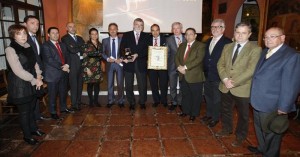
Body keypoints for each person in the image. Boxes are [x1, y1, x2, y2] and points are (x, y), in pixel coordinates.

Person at [248, 27, 300, 156]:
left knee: (272, 133)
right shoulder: (265, 51)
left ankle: (270, 154)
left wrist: (284, 107)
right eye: (266, 37)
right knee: (259, 128)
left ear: (282, 38)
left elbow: (291, 84)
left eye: (273, 36)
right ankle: (262, 148)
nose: (268, 39)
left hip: (273, 104)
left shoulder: (291, 56)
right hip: (258, 100)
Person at [216, 22, 261, 147]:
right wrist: (225, 79)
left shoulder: (255, 49)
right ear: (234, 33)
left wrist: (233, 83)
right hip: (225, 85)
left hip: (242, 88)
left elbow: (251, 70)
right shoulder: (227, 47)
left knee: (243, 115)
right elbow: (220, 64)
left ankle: (240, 136)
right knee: (225, 110)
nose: (240, 35)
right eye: (237, 32)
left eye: (244, 33)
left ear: (249, 34)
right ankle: (226, 129)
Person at [5, 24, 45, 145]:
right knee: (24, 112)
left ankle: (34, 129)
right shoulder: (10, 49)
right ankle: (27, 136)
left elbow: (35, 63)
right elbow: (17, 70)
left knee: (32, 108)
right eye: (19, 34)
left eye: (24, 33)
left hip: (32, 80)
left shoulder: (28, 45)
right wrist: (35, 80)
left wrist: (39, 75)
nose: (23, 36)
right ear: (13, 36)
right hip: (20, 85)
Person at [201, 19, 232, 127]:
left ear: (223, 29)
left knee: (217, 99)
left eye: (217, 27)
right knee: (208, 96)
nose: (214, 29)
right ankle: (209, 114)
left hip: (219, 76)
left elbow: (228, 62)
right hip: (207, 75)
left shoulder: (228, 42)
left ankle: (215, 118)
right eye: (212, 27)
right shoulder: (208, 41)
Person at [175, 27, 205, 121]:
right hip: (182, 75)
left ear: (195, 35)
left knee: (195, 96)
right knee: (185, 95)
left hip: (195, 76)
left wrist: (185, 67)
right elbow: (176, 58)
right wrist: (179, 67)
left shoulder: (201, 45)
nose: (188, 36)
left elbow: (198, 60)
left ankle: (194, 113)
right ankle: (185, 111)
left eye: (191, 34)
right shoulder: (182, 45)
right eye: (186, 34)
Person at [41, 27, 72, 120]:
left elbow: (68, 56)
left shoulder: (62, 45)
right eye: (53, 33)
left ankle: (63, 108)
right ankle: (53, 112)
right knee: (53, 95)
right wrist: (63, 67)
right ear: (48, 35)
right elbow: (49, 59)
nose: (55, 35)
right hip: (52, 74)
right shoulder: (45, 45)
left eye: (57, 33)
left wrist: (67, 65)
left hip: (63, 73)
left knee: (63, 92)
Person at [23, 15, 49, 121]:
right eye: (32, 23)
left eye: (37, 23)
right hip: (29, 73)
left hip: (37, 71)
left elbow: (38, 56)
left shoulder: (35, 38)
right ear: (25, 24)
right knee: (32, 97)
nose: (36, 26)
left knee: (36, 95)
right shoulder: (24, 39)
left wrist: (40, 72)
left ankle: (37, 116)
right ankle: (33, 119)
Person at [120, 18, 149, 110]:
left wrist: (137, 54)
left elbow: (148, 50)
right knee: (128, 85)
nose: (139, 26)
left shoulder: (146, 36)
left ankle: (142, 102)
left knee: (142, 84)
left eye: (141, 25)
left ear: (143, 27)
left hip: (141, 63)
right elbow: (122, 48)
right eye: (137, 24)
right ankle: (131, 102)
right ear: (133, 25)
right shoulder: (126, 34)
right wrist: (127, 57)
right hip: (128, 63)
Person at [61, 22, 85, 111]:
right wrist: (80, 48)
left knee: (80, 84)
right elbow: (71, 50)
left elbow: (84, 48)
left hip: (81, 64)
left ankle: (78, 102)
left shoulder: (80, 38)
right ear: (67, 28)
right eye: (70, 27)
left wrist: (77, 48)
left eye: (74, 26)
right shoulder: (64, 38)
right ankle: (74, 104)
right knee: (73, 85)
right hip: (72, 64)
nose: (72, 28)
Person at [102, 23, 124, 108]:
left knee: (120, 83)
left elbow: (124, 52)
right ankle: (110, 100)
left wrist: (121, 58)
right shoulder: (105, 41)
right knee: (110, 84)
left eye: (114, 29)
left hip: (119, 64)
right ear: (108, 30)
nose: (112, 30)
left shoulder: (122, 40)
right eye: (110, 29)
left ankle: (121, 101)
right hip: (109, 65)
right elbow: (102, 53)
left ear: (117, 30)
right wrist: (107, 59)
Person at [166, 22, 186, 111]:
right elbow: (166, 54)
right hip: (172, 67)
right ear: (171, 30)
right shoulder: (169, 39)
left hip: (184, 67)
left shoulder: (187, 38)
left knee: (183, 85)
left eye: (177, 28)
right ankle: (174, 102)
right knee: (172, 86)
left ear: (181, 29)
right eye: (174, 28)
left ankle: (181, 102)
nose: (176, 30)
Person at [148, 24, 168, 107]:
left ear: (159, 31)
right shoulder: (147, 40)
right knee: (153, 84)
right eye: (153, 30)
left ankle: (164, 100)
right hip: (152, 66)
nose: (155, 32)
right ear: (151, 31)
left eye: (157, 30)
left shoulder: (166, 39)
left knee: (164, 84)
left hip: (163, 66)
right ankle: (156, 100)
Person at [82, 28, 103, 107]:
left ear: (97, 35)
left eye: (96, 34)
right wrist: (87, 69)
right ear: (90, 35)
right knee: (90, 85)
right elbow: (84, 57)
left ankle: (96, 101)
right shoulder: (86, 44)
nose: (94, 35)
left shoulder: (100, 44)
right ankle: (91, 101)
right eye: (92, 34)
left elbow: (101, 56)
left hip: (97, 68)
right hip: (89, 68)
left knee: (97, 85)